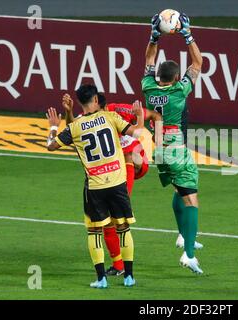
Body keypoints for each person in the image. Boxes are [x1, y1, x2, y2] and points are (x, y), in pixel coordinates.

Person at [46, 83, 144, 288]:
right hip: (118, 182)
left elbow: (51, 146)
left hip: (95, 187)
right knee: (124, 228)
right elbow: (137, 132)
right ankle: (129, 277)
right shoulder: (110, 117)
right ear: (97, 100)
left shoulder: (75, 127)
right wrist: (138, 115)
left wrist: (54, 126)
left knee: (94, 232)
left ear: (80, 102)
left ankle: (101, 279)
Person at [62, 92, 163, 276]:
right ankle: (119, 266)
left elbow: (156, 116)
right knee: (108, 222)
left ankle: (121, 267)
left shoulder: (116, 111)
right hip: (111, 170)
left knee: (129, 157)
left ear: (98, 104)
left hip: (130, 162)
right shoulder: (86, 119)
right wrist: (68, 113)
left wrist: (158, 139)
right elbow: (70, 127)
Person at [142, 13, 204, 274]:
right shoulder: (180, 91)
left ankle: (182, 236)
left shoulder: (148, 87)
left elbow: (148, 60)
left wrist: (154, 36)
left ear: (158, 77)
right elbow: (198, 63)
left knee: (179, 192)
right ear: (177, 78)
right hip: (176, 150)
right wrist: (187, 34)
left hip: (159, 150)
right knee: (192, 200)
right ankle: (188, 255)